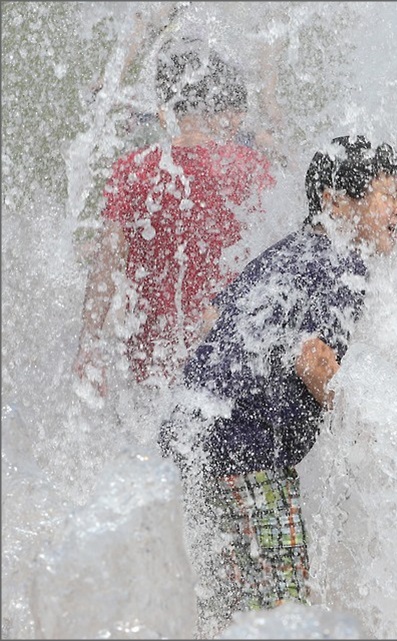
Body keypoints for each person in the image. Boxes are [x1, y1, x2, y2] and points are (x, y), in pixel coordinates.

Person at [159, 134, 397, 635]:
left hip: (193, 447)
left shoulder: (285, 255)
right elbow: (313, 358)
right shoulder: (342, 261)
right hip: (247, 460)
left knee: (227, 614)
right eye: (386, 195)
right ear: (334, 201)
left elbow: (214, 319)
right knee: (284, 617)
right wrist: (372, 434)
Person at [73, 37, 275, 396]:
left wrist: (89, 344)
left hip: (147, 365)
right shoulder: (251, 170)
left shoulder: (132, 170)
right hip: (225, 365)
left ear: (166, 105)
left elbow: (106, 264)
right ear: (219, 106)